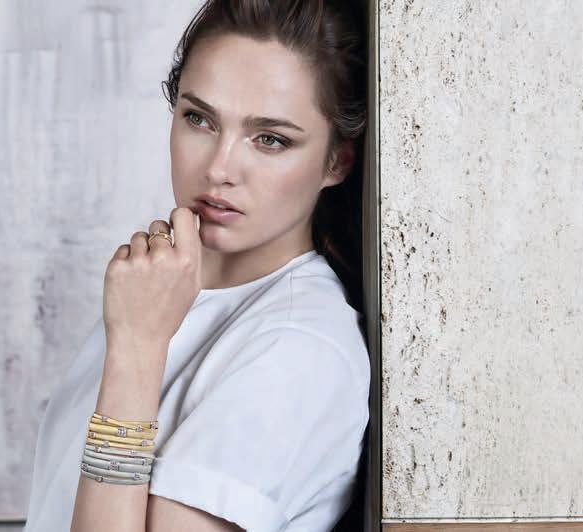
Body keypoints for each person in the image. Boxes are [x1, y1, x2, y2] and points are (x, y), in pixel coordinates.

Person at [22, 1, 370, 531]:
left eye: (270, 139)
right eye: (199, 119)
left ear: (336, 161)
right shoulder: (159, 294)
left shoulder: (298, 351)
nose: (218, 168)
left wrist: (138, 349)